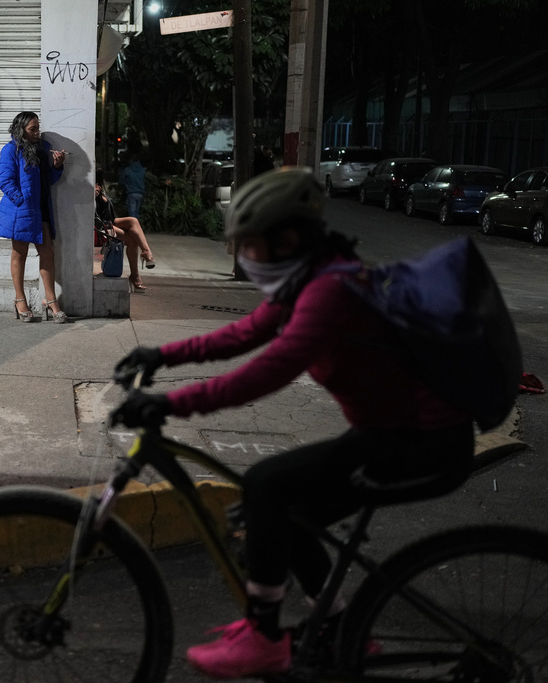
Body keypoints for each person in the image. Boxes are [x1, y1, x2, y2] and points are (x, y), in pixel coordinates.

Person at [111, 167, 474, 679]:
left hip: (424, 443)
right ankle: (345, 629)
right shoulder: (314, 274)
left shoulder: (331, 290)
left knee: (266, 486)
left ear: (286, 240)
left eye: (250, 246)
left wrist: (170, 406)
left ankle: (265, 638)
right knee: (289, 511)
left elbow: (265, 373)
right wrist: (160, 355)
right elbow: (244, 334)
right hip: (391, 432)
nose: (244, 257)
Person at [0, 111, 67, 323]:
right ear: (21, 130)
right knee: (19, 254)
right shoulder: (10, 150)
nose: (37, 132)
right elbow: (5, 181)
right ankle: (20, 301)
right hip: (22, 210)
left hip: (42, 209)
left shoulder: (43, 149)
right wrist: (23, 201)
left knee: (48, 253)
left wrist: (57, 165)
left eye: (38, 128)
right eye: (32, 129)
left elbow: (49, 180)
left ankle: (50, 301)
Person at [95, 170, 155, 292]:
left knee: (133, 220)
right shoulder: (88, 190)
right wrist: (93, 196)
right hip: (102, 226)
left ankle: (146, 251)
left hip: (110, 221)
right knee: (132, 241)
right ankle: (135, 275)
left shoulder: (100, 188)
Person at [118, 154, 146, 219]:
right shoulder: (142, 170)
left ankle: (132, 227)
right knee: (136, 212)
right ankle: (137, 226)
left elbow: (121, 180)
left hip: (131, 193)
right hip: (140, 193)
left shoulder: (127, 170)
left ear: (131, 161)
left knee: (132, 212)